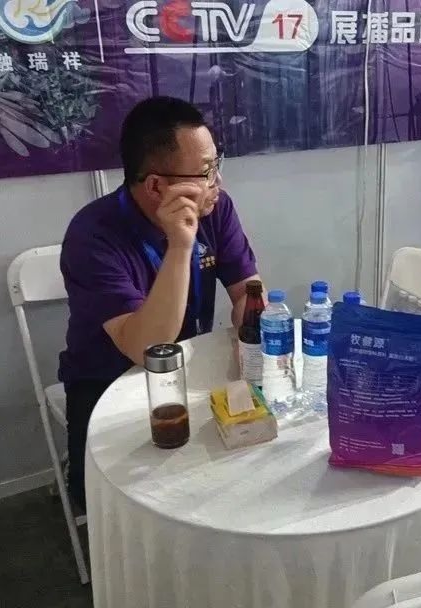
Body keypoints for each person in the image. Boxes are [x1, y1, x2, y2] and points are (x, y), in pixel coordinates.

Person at [58, 97, 260, 507]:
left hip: (193, 365)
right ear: (156, 186)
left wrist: (252, 341)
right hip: (110, 383)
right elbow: (145, 349)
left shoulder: (216, 208)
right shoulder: (92, 235)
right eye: (206, 171)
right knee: (117, 502)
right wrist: (181, 246)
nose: (217, 181)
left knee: (236, 475)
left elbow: (247, 289)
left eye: (216, 164)